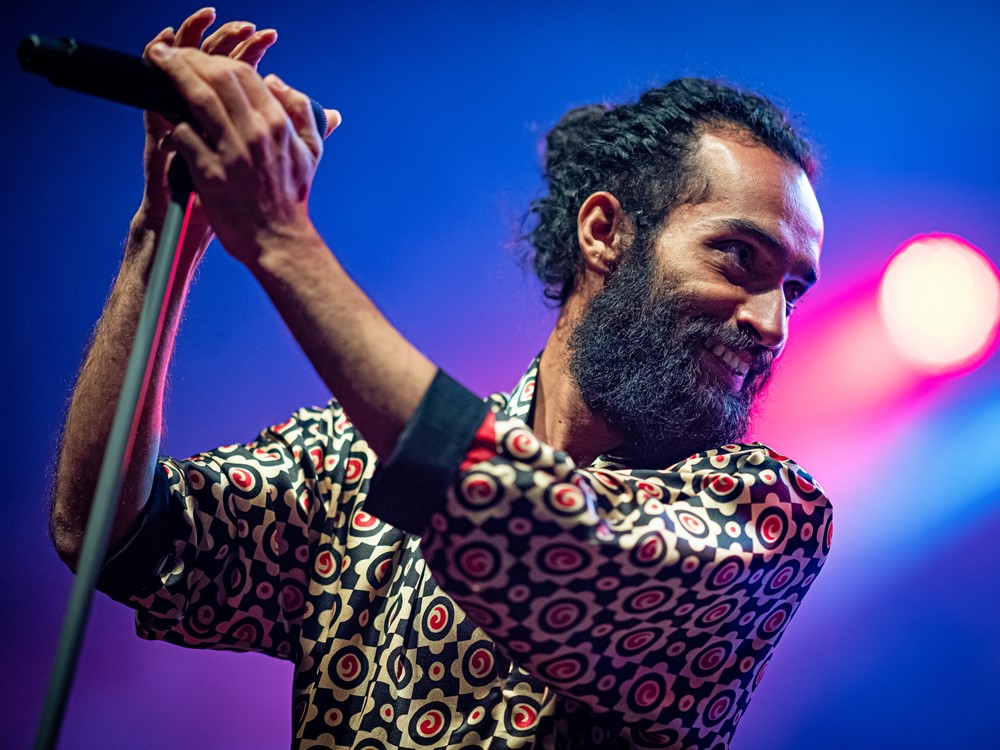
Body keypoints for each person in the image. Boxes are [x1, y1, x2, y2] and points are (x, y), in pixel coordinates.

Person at [50, 8, 832, 749]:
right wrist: (164, 236)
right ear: (605, 232)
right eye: (741, 258)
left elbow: (550, 546)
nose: (771, 323)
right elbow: (109, 535)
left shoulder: (766, 515)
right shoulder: (350, 461)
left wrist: (280, 237)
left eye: (794, 289)